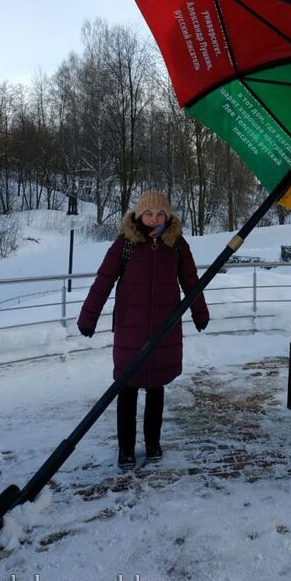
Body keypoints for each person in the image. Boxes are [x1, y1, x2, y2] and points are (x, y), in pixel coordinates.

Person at [77, 190, 209, 469]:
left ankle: (152, 443)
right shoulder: (125, 244)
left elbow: (191, 282)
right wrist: (88, 318)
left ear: (168, 215)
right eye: (148, 213)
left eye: (160, 213)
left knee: (156, 388)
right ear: (138, 215)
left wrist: (200, 313)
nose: (154, 218)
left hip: (165, 329)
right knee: (127, 389)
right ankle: (125, 448)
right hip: (130, 329)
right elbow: (103, 281)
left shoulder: (177, 245)